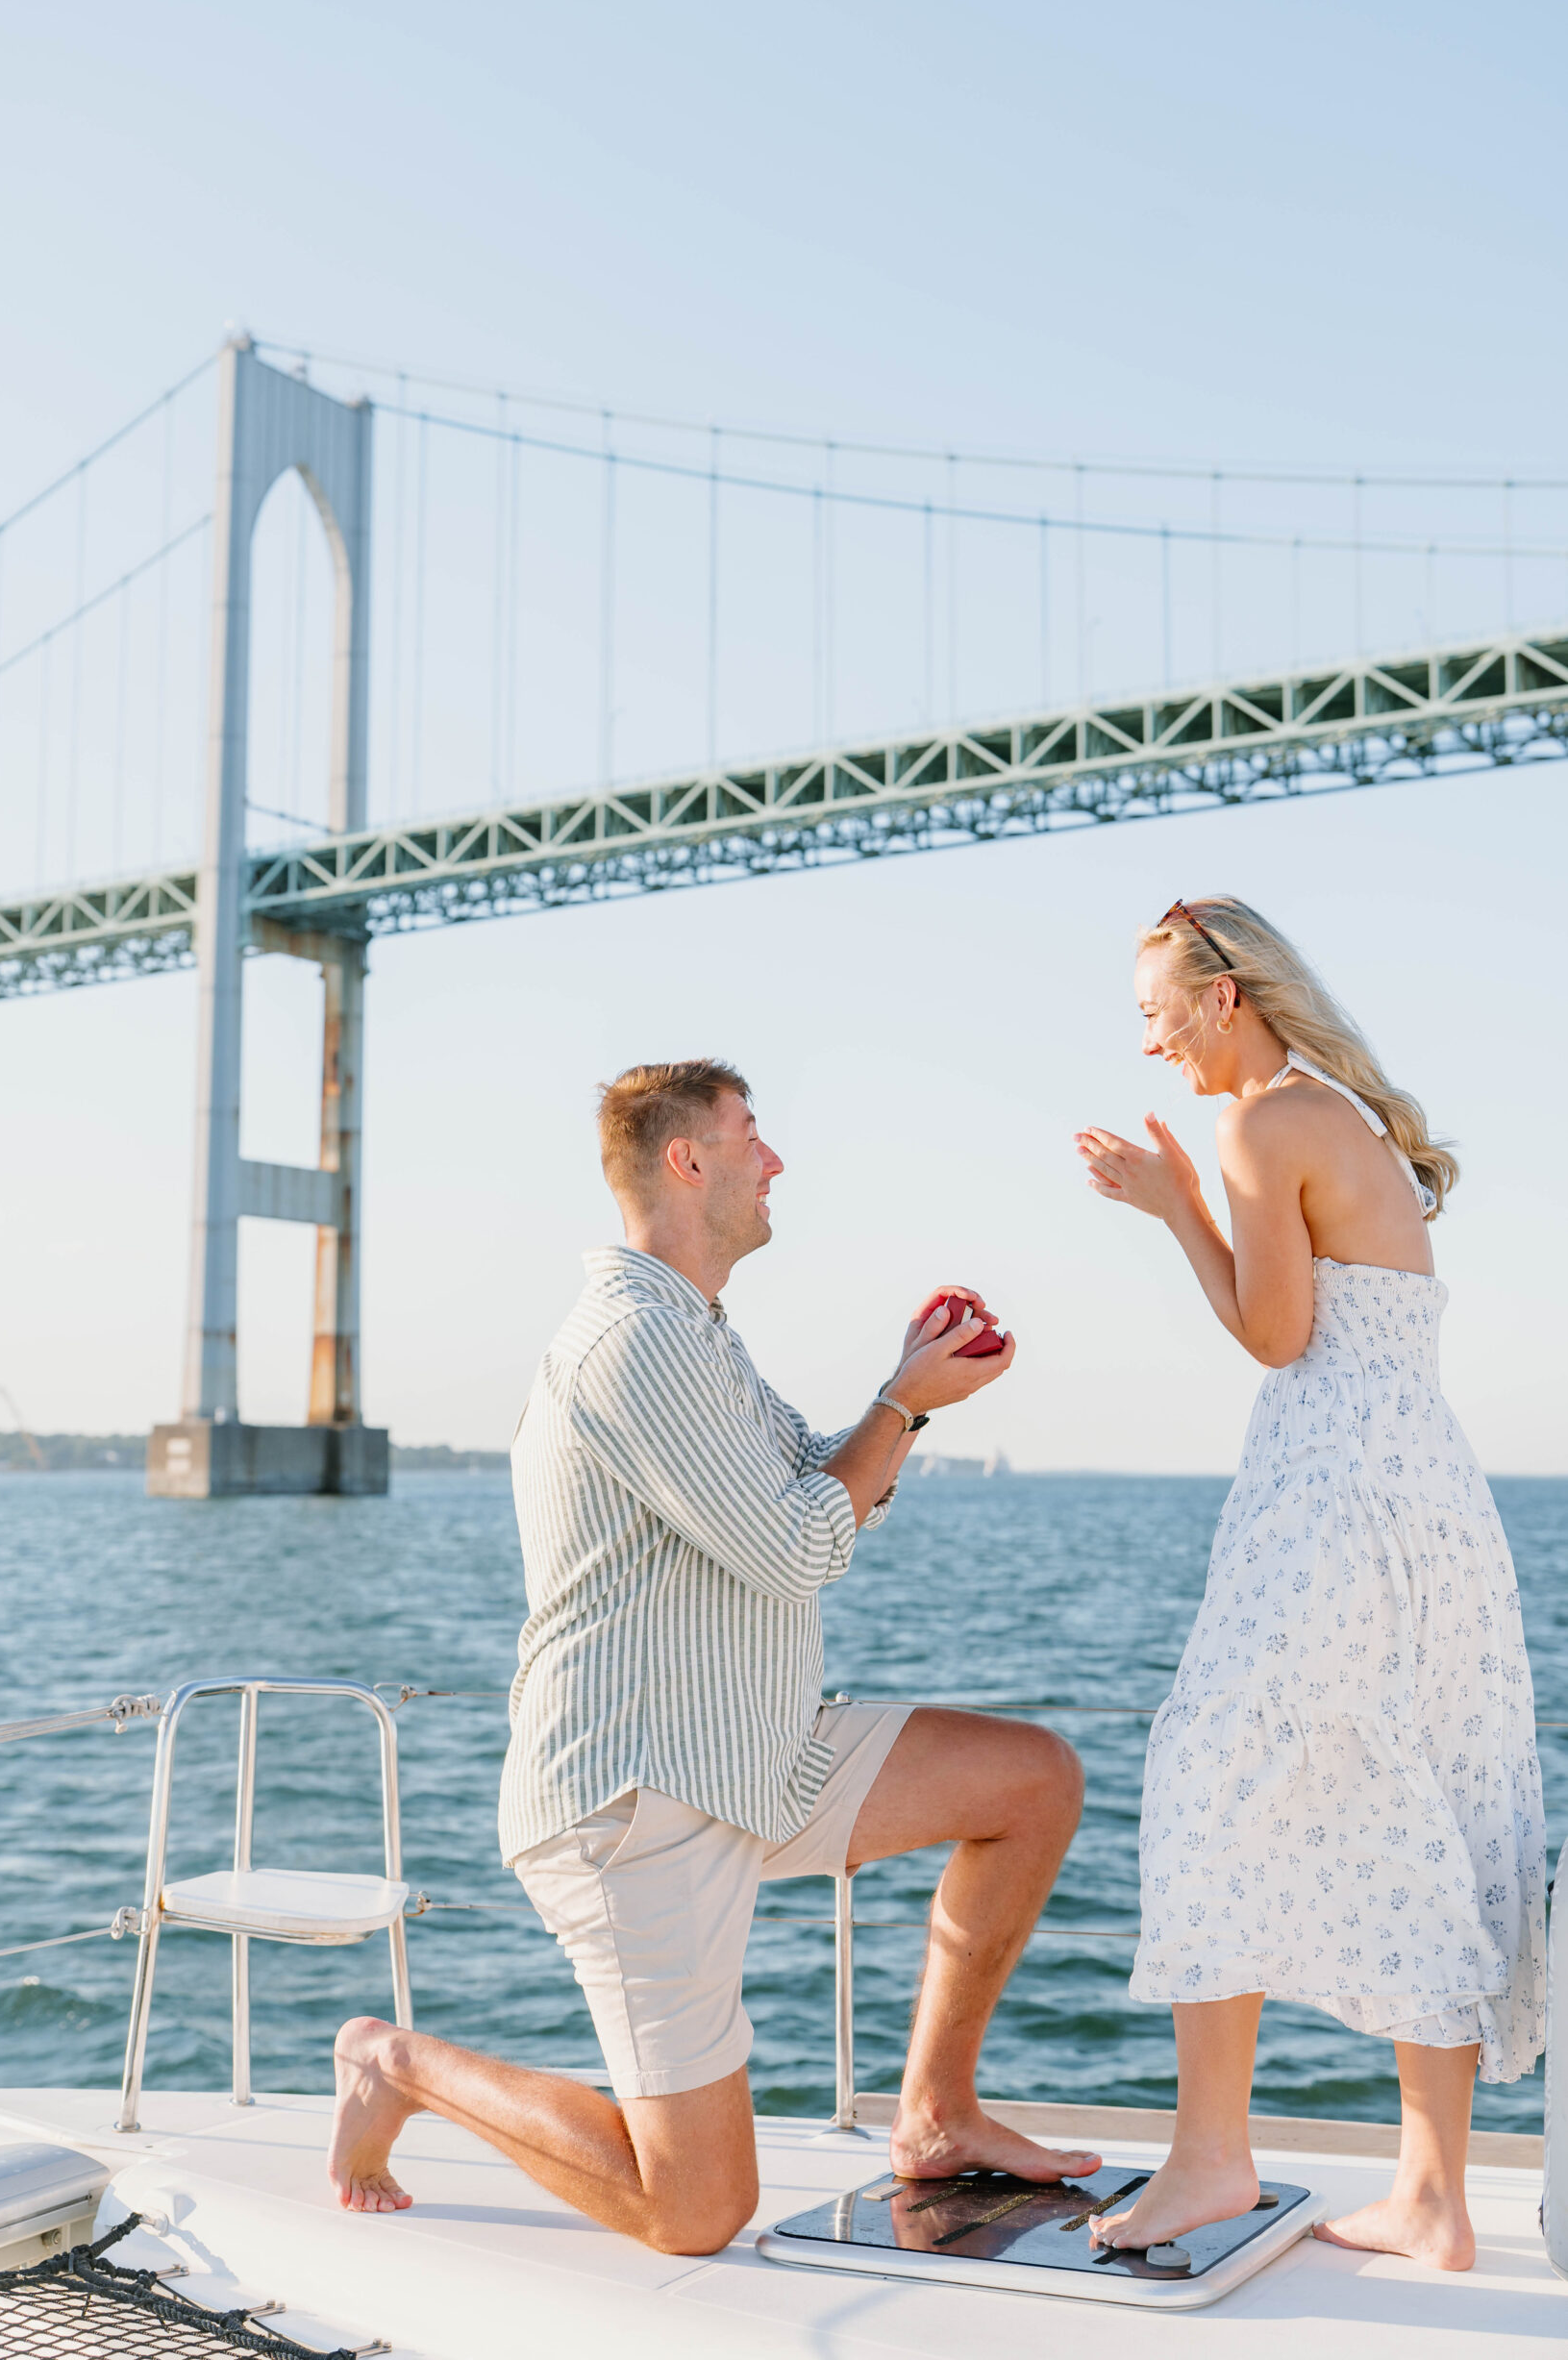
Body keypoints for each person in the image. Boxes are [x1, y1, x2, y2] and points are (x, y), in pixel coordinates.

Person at [328, 1057, 1095, 2252]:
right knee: (697, 2211)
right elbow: (800, 1548)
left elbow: (820, 1488)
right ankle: (396, 2060)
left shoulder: (699, 1333)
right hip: (640, 1799)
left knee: (1031, 1779)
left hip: (752, 1755)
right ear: (689, 1161)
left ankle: (937, 2118)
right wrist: (900, 1405)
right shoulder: (632, 1342)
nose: (776, 1159)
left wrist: (911, 1385)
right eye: (753, 1135)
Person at [1074, 897, 1546, 2271]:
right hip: (1422, 1498)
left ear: (1222, 996)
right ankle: (1431, 2197)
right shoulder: (1326, 1110)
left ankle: (1211, 2161)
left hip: (1333, 1496)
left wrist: (1171, 1208)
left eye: (1154, 1006)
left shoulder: (1262, 1121)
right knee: (1417, 1791)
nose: (1146, 1035)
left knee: (1207, 1771)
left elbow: (1277, 1337)